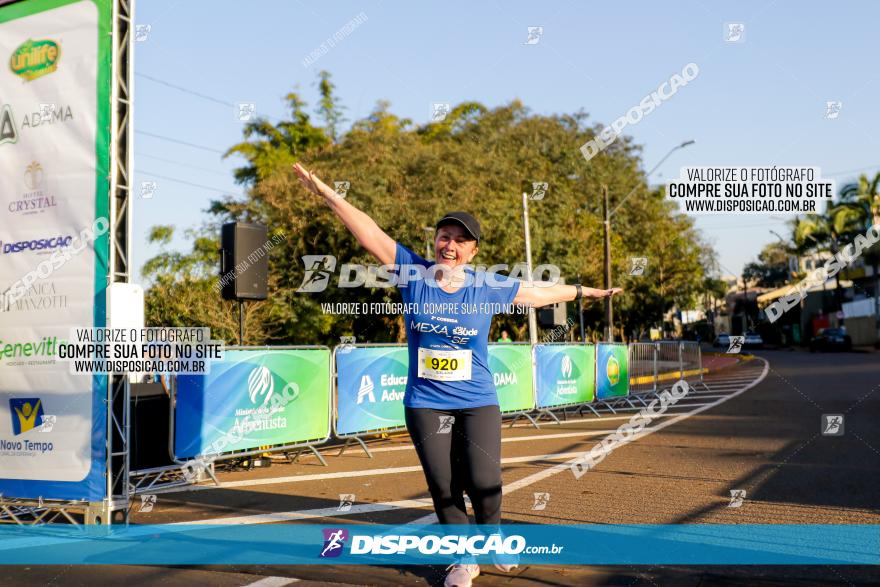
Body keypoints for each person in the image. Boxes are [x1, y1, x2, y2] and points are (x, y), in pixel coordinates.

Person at [293, 163, 622, 587]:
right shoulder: (413, 274)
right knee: (444, 486)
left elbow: (539, 295)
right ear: (436, 241)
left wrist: (583, 291)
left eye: (461, 240)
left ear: (473, 251)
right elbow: (369, 232)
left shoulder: (485, 284)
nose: (450, 245)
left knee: (485, 480)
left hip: (477, 398)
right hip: (426, 402)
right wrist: (327, 192)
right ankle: (462, 559)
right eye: (445, 237)